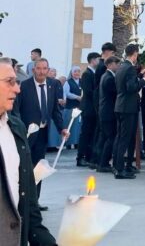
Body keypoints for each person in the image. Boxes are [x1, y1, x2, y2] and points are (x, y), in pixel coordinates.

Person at [0, 57, 57, 245]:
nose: (17, 88)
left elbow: (29, 207)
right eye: (10, 82)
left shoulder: (15, 128)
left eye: (16, 81)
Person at [12, 58, 68, 209]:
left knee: (39, 167)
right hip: (27, 135)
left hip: (43, 134)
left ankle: (34, 202)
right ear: (33, 70)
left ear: (48, 70)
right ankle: (22, 202)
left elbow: (55, 110)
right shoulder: (24, 86)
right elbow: (16, 111)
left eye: (45, 68)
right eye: (39, 68)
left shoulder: (52, 85)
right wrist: (21, 129)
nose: (42, 71)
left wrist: (61, 128)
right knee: (25, 167)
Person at [113, 44, 145, 179]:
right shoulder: (129, 68)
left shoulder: (122, 67)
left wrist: (139, 74)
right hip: (128, 108)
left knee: (122, 138)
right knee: (124, 139)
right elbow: (131, 87)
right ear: (135, 54)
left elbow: (126, 82)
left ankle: (125, 165)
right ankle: (119, 170)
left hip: (121, 106)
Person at [90, 42, 118, 168]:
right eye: (113, 54)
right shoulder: (103, 68)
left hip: (101, 104)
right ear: (108, 52)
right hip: (103, 105)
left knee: (102, 134)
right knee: (103, 134)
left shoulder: (101, 67)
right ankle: (98, 160)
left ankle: (97, 160)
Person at [97, 56, 121, 172]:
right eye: (117, 64)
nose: (118, 66)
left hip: (106, 112)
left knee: (108, 138)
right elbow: (116, 92)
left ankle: (103, 162)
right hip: (108, 113)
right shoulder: (109, 78)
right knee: (111, 138)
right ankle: (103, 164)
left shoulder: (107, 76)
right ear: (110, 64)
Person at [77, 52, 100, 167]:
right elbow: (88, 91)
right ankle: (80, 157)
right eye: (98, 59)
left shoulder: (93, 73)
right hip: (88, 108)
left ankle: (89, 156)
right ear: (92, 60)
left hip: (93, 108)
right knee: (85, 133)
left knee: (91, 133)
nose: (99, 62)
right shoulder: (87, 74)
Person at [62, 66, 82, 149]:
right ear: (72, 73)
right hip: (70, 107)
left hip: (79, 108)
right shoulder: (68, 82)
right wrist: (77, 97)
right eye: (75, 71)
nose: (77, 73)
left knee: (78, 126)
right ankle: (68, 144)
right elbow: (66, 93)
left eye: (78, 71)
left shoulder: (82, 81)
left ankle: (77, 143)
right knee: (69, 125)